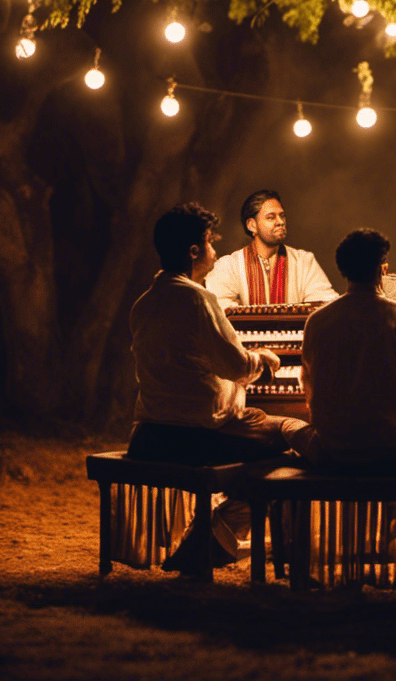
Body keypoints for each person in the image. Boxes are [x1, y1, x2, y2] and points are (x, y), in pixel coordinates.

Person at [127, 203, 307, 573]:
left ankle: (209, 536)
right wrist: (266, 361)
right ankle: (215, 540)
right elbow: (237, 366)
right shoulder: (198, 298)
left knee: (262, 427)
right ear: (194, 251)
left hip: (150, 434)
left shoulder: (142, 305)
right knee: (290, 449)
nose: (214, 251)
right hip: (199, 435)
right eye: (209, 243)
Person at [287, 229, 396, 467]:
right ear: (382, 269)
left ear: (343, 270)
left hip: (332, 451)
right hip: (392, 448)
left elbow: (310, 388)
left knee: (287, 427)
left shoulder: (317, 320)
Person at [206, 189, 339, 309]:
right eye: (271, 217)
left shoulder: (303, 262)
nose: (280, 222)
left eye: (282, 215)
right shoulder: (229, 265)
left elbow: (325, 304)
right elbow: (219, 308)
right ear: (252, 225)